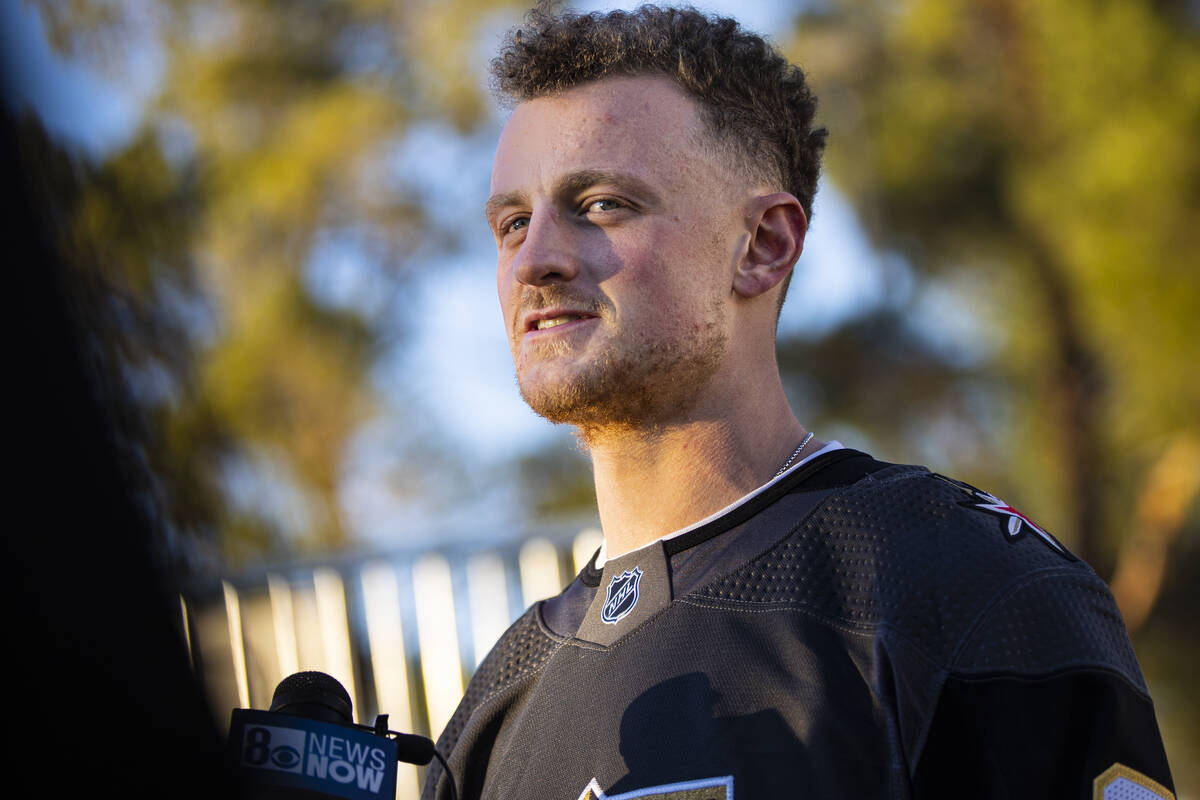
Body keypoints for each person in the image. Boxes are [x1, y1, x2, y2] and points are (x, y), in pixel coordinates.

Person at [423, 6, 1175, 799]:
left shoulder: (961, 584)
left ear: (765, 245)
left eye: (602, 204)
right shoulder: (500, 697)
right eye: (511, 222)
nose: (534, 259)